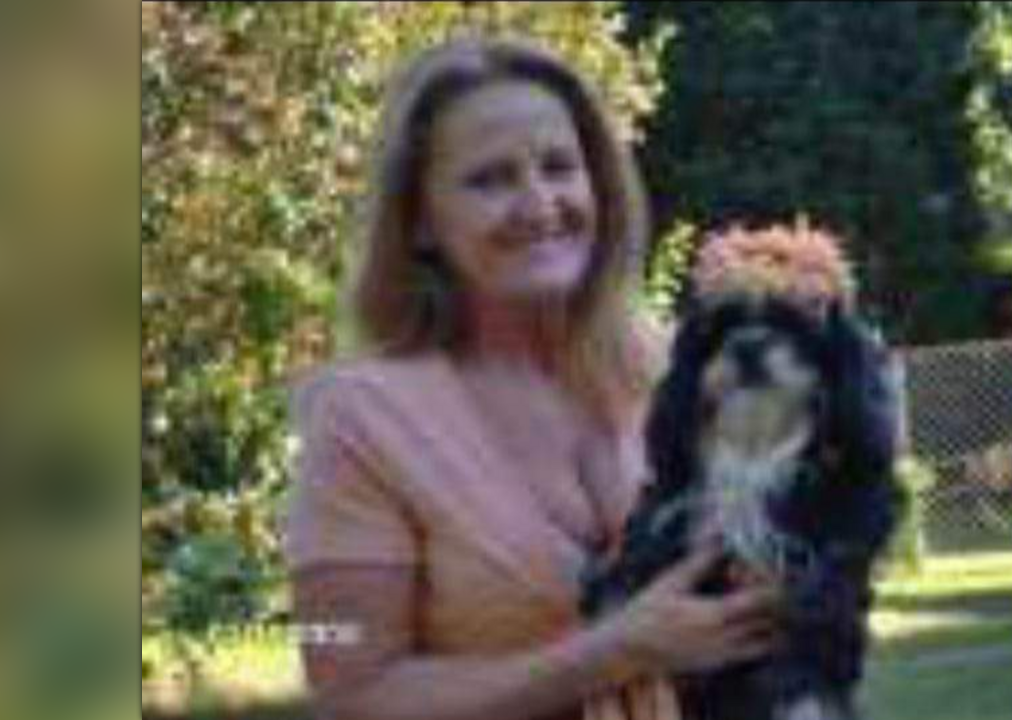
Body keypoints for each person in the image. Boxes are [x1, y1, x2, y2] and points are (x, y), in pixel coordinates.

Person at [283, 37, 782, 720]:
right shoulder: (358, 418)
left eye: (558, 166)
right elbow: (346, 691)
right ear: (420, 222)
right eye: (490, 180)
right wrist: (618, 650)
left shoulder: (687, 372)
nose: (540, 203)